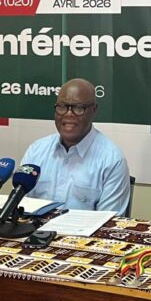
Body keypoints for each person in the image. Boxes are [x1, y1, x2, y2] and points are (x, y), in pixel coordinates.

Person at [20, 78, 131, 214]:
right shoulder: (36, 151)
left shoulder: (112, 160)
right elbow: (20, 207)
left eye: (78, 108)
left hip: (85, 229)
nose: (68, 114)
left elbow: (108, 221)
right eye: (62, 107)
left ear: (93, 110)